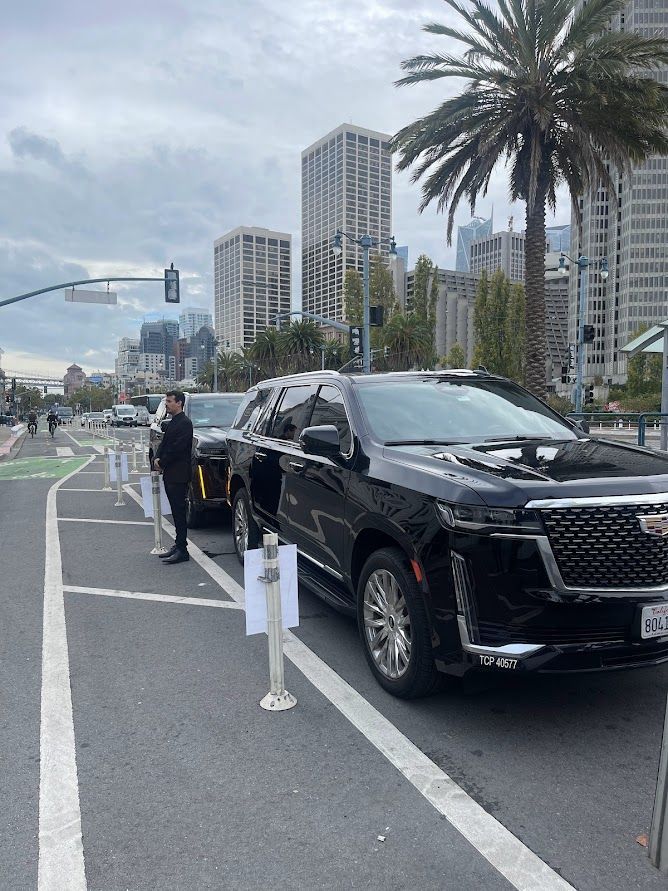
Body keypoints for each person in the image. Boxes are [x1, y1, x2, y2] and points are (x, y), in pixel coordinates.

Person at [153, 390, 193, 564]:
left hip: (179, 474)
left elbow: (177, 448)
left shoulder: (185, 423)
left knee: (179, 512)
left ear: (179, 403)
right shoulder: (172, 422)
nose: (166, 404)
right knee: (175, 513)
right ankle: (178, 545)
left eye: (169, 401)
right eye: (166, 401)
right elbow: (164, 444)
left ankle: (182, 550)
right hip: (171, 473)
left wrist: (162, 462)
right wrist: (156, 458)